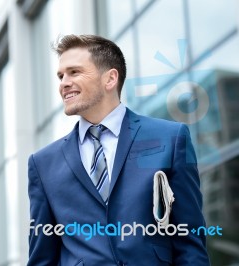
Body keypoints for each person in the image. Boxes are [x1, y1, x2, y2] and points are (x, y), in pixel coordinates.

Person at [27, 34, 210, 265]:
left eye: (74, 72)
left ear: (110, 79)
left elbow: (190, 242)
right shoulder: (43, 164)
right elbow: (42, 257)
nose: (64, 82)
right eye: (61, 75)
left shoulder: (170, 139)